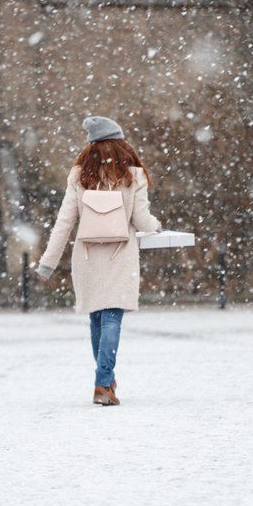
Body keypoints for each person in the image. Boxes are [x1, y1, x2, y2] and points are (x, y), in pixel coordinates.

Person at [36, 116, 161, 406]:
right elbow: (142, 220)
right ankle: (103, 382)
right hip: (120, 255)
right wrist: (157, 226)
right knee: (112, 316)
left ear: (90, 146)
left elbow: (64, 222)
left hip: (88, 255)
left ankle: (104, 380)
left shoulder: (80, 176)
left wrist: (47, 263)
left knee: (97, 316)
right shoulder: (133, 176)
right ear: (120, 144)